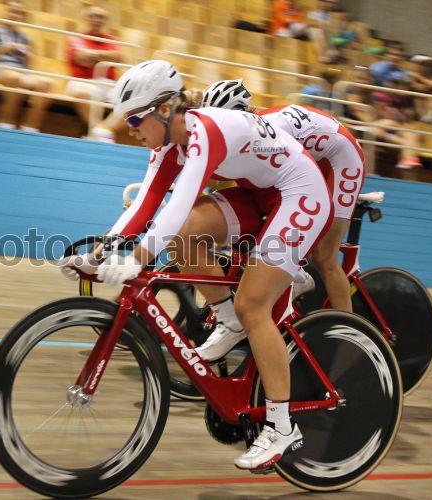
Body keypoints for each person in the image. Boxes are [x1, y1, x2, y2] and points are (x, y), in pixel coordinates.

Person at [60, 60, 333, 472]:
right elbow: (147, 203)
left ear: (164, 109)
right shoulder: (167, 144)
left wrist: (136, 260)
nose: (129, 129)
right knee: (185, 235)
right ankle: (228, 319)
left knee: (253, 306)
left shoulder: (204, 131)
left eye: (134, 119)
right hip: (260, 194)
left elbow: (179, 202)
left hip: (299, 193)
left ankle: (281, 426)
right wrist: (97, 254)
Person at [201, 80, 365, 311]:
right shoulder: (248, 131)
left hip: (342, 159)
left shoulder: (267, 132)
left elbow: (292, 183)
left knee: (324, 257)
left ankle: (348, 327)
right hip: (313, 155)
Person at [0, 0, 53, 133]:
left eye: (19, 13)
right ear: (5, 12)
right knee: (15, 78)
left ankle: (29, 127)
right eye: (13, 11)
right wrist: (3, 50)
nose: (15, 15)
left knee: (46, 83)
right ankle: (5, 124)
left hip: (22, 71)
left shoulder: (25, 37)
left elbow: (31, 64)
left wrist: (28, 54)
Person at [63, 5, 127, 143]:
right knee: (83, 93)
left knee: (132, 100)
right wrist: (106, 56)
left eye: (100, 17)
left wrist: (93, 55)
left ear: (105, 21)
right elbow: (82, 59)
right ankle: (99, 134)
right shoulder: (76, 37)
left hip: (108, 84)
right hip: (82, 81)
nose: (96, 20)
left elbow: (119, 57)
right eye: (93, 16)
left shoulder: (112, 40)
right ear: (86, 18)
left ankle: (103, 132)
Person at [371, 73, 423, 168]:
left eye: (400, 83)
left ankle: (407, 162)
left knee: (411, 133)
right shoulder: (378, 95)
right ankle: (408, 158)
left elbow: (406, 118)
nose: (397, 86)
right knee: (390, 124)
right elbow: (382, 114)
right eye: (394, 83)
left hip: (389, 129)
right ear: (386, 83)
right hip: (375, 126)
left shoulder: (401, 99)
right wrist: (397, 120)